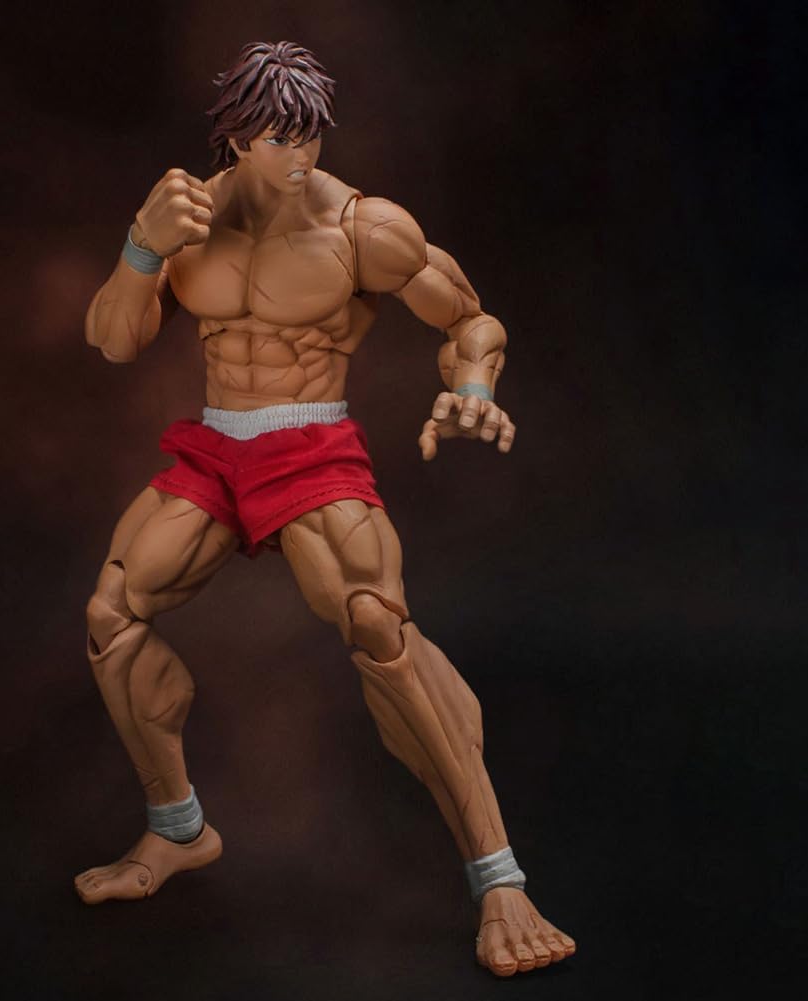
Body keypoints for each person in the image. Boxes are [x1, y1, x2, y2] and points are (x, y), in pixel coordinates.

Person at [74, 40, 575, 977]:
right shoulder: (187, 215)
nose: (299, 155)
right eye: (277, 139)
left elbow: (469, 317)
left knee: (379, 625)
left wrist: (471, 387)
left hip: (309, 444)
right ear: (236, 138)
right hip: (217, 445)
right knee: (111, 614)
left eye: (309, 135)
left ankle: (499, 878)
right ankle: (178, 828)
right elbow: (113, 341)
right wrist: (140, 248)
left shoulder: (361, 227)